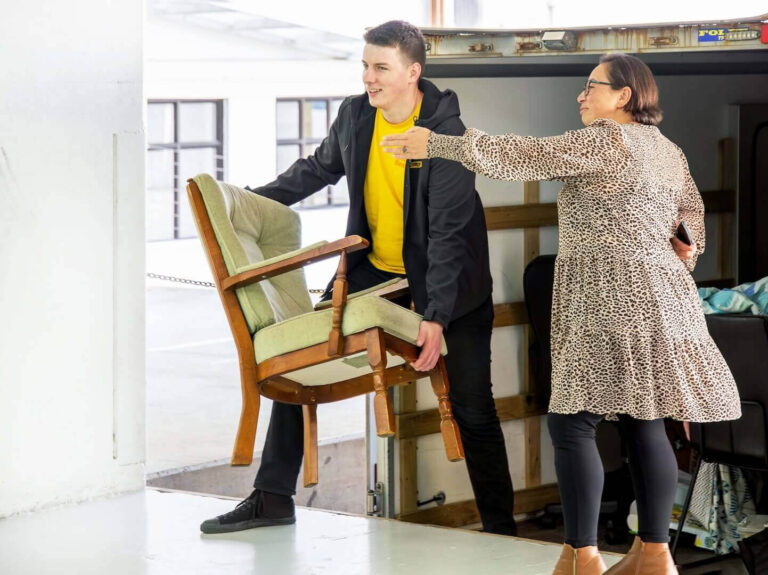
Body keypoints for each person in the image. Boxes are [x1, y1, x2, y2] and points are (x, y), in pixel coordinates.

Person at [382, 53, 741, 575]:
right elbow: (691, 212)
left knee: (572, 421)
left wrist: (437, 144)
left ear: (624, 96)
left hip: (606, 297)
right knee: (645, 420)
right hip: (662, 299)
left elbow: (526, 156)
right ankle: (656, 554)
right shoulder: (667, 150)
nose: (581, 95)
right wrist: (684, 242)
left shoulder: (604, 140)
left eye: (591, 86)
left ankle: (582, 556)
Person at [200, 20, 518, 537]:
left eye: (381, 68)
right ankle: (272, 497)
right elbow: (314, 170)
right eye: (366, 66)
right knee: (296, 360)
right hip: (375, 271)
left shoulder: (446, 136)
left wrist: (433, 317)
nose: (369, 78)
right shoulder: (355, 116)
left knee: (473, 407)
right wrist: (242, 207)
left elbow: (449, 236)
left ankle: (502, 530)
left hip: (452, 288)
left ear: (413, 72)